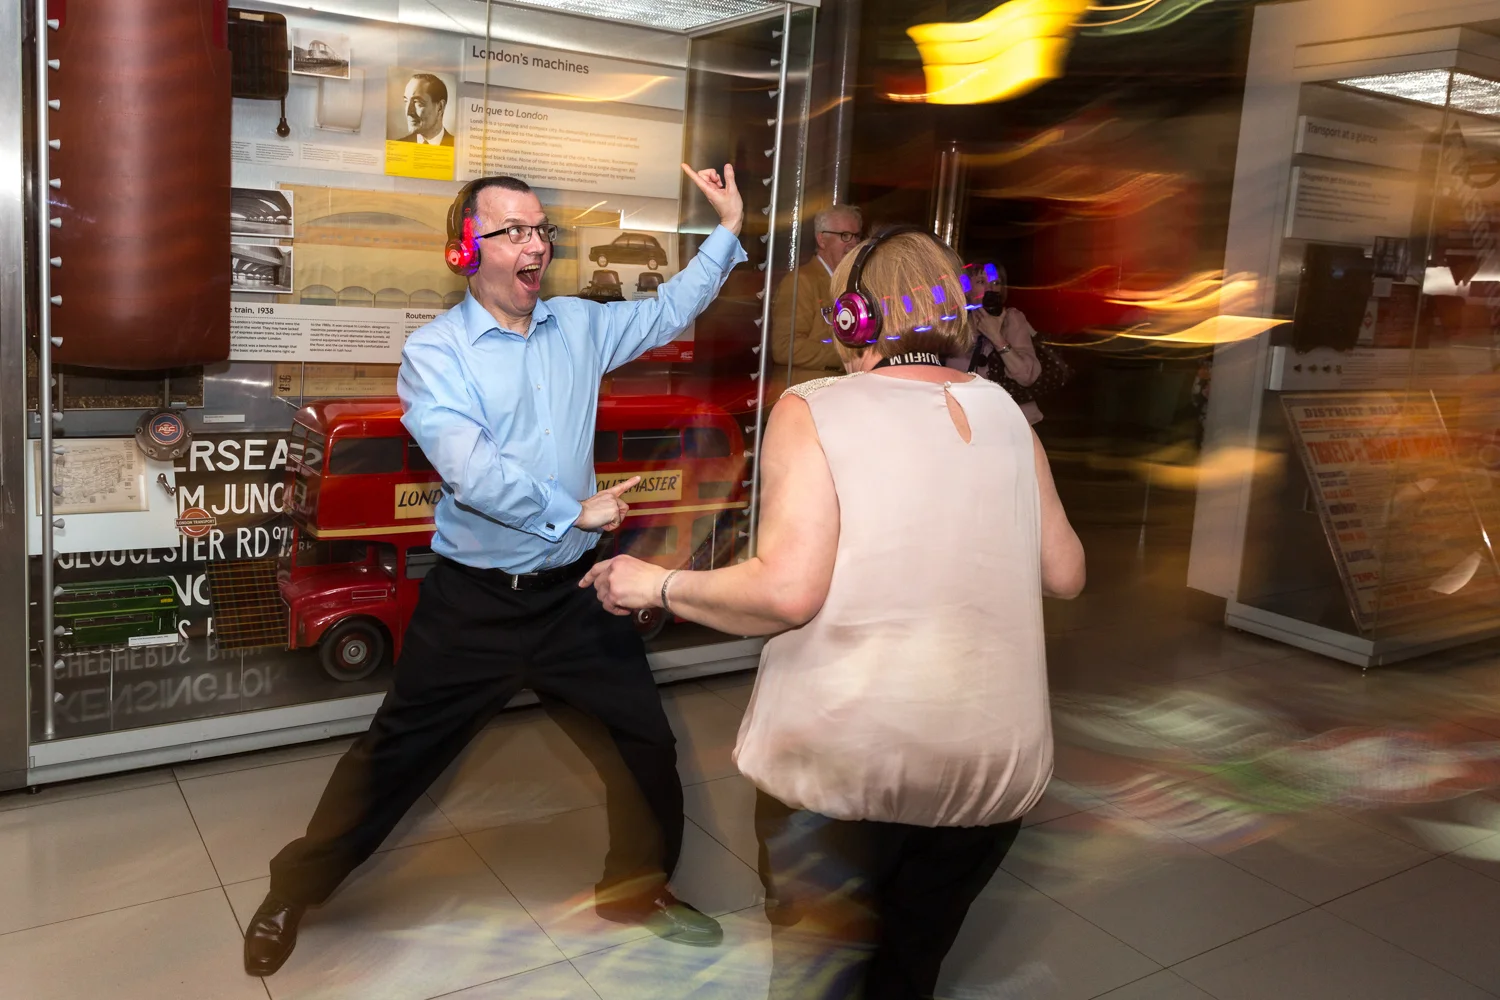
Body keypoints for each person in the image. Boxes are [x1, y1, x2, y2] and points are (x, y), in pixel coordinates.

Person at [243, 165, 748, 977]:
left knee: (645, 746)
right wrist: (573, 510)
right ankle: (292, 890)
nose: (535, 245)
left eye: (541, 229)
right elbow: (470, 472)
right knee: (392, 758)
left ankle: (636, 891)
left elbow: (666, 309)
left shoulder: (580, 326)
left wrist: (725, 230)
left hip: (577, 596)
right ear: (466, 249)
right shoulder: (435, 353)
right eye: (513, 230)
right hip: (473, 603)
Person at [583, 228, 1086, 999]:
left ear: (853, 319)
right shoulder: (1005, 413)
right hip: (991, 775)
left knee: (815, 983)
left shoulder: (813, 408)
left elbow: (786, 592)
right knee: (907, 973)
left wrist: (659, 587)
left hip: (845, 771)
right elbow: (1067, 572)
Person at [769, 204, 863, 392]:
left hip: (831, 400)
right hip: (802, 401)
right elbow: (784, 347)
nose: (853, 244)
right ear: (822, 240)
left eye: (857, 236)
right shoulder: (800, 281)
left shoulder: (854, 284)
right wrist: (849, 356)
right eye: (845, 236)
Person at [947, 258, 1046, 425]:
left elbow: (1027, 376)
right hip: (966, 419)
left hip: (1010, 423)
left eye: (996, 282)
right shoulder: (954, 325)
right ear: (967, 289)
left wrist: (996, 338)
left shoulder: (1012, 319)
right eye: (981, 281)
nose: (990, 288)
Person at [396, 73, 454, 146]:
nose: (409, 112)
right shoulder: (398, 146)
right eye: (406, 101)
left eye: (417, 102)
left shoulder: (459, 147)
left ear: (440, 107)